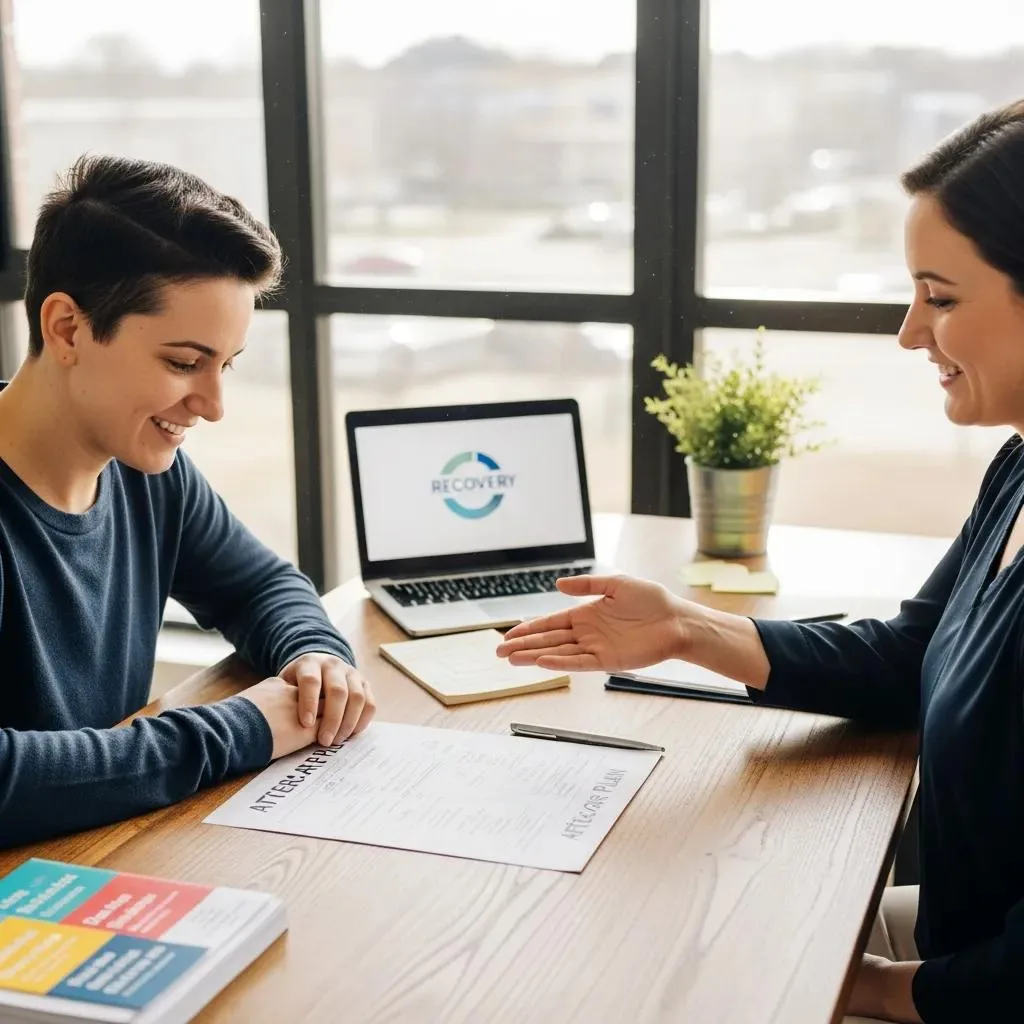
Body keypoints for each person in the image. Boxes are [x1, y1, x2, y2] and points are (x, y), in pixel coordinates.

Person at [497, 98, 1024, 1024]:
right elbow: (914, 655)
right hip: (953, 948)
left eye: (940, 297)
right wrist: (688, 630)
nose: (908, 333)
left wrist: (837, 977)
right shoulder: (1019, 466)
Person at [0, 155, 376, 850]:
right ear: (67, 328)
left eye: (225, 365)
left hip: (96, 861)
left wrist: (314, 656)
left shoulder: (149, 470)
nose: (213, 405)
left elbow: (262, 585)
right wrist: (243, 729)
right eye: (182, 363)